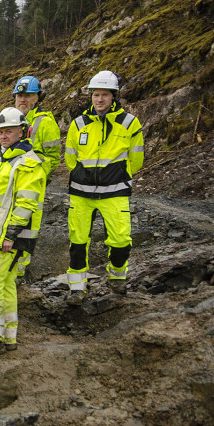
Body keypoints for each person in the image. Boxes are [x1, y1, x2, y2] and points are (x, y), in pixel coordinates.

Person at [0, 108, 47, 362]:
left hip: (10, 237)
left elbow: (25, 204)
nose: (3, 136)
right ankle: (9, 337)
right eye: (1, 132)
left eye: (9, 131)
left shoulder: (27, 163)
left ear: (22, 132)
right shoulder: (6, 160)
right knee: (5, 286)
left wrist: (10, 234)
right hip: (0, 234)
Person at [64, 71, 144, 304]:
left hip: (115, 191)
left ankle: (117, 277)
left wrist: (118, 175)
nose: (99, 99)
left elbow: (136, 159)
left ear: (113, 96)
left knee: (121, 241)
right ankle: (77, 289)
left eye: (105, 95)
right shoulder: (79, 124)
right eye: (96, 95)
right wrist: (82, 175)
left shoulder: (129, 123)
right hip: (81, 192)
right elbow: (70, 158)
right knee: (78, 242)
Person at [12, 75, 61, 180]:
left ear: (38, 97)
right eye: (19, 96)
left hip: (32, 181)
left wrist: (36, 178)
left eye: (27, 96)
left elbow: (53, 160)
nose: (22, 100)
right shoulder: (12, 121)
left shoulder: (46, 122)